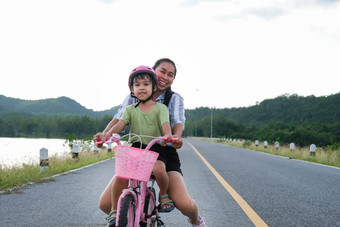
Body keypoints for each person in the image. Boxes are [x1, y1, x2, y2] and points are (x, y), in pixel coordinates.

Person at [94, 58, 207, 226]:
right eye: (162, 71)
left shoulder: (172, 99)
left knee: (183, 203)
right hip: (137, 148)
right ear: (154, 72)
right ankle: (133, 212)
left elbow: (176, 122)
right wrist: (104, 135)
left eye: (170, 75)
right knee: (105, 204)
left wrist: (174, 138)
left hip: (163, 150)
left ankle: (196, 219)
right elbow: (118, 119)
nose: (165, 77)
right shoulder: (134, 96)